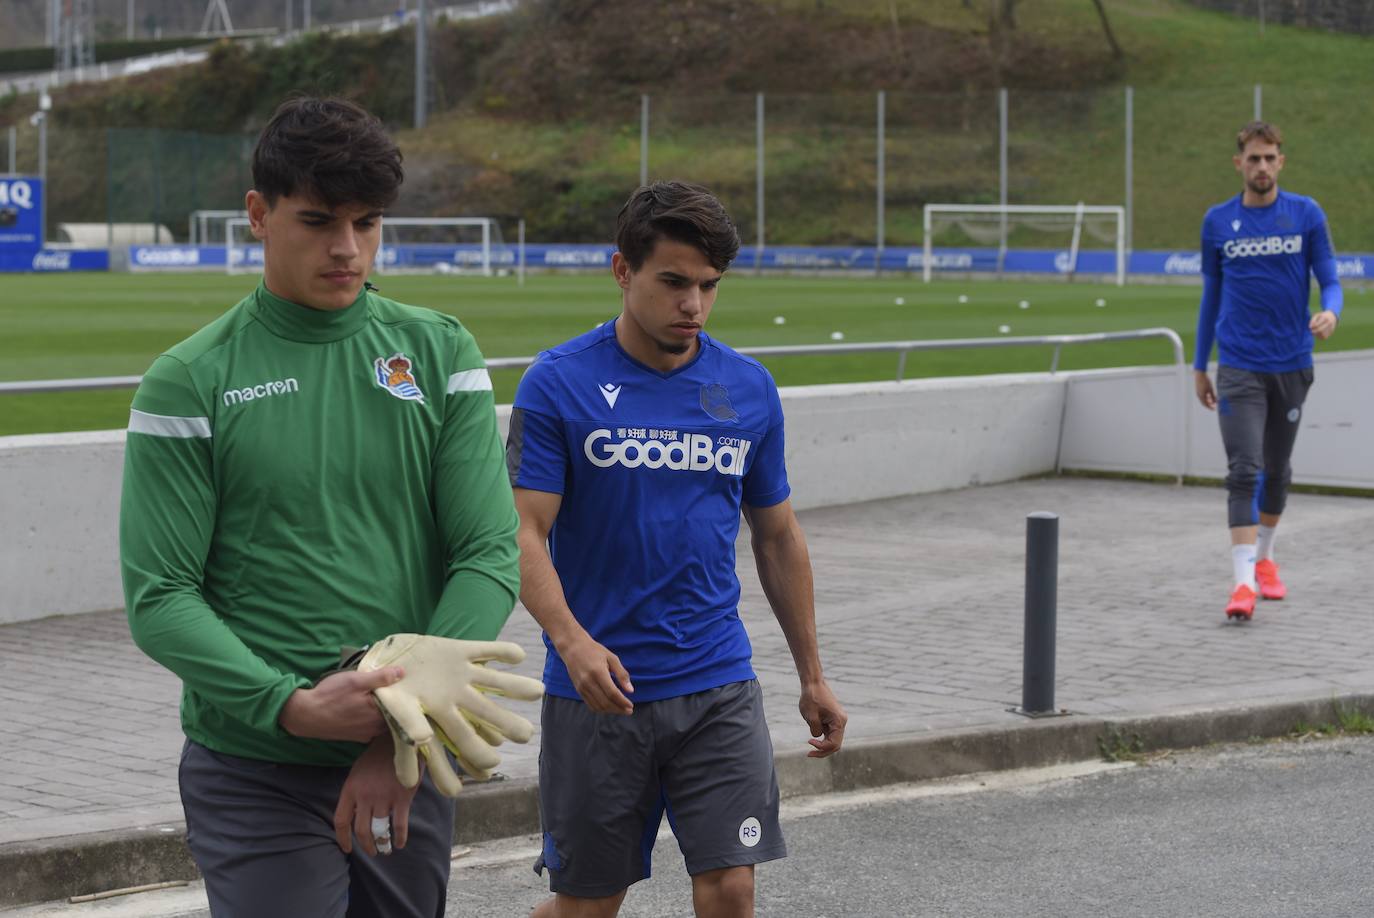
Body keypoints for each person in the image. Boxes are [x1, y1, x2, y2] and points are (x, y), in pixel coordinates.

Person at [119, 96, 522, 917]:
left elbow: (487, 553)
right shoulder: (189, 379)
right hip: (255, 767)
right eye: (317, 221)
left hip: (409, 758)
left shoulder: (440, 351)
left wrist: (402, 727)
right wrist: (289, 706)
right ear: (258, 215)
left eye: (367, 223)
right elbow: (160, 596)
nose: (347, 249)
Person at [507, 180, 848, 917]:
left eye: (708, 285)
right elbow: (522, 531)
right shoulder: (558, 382)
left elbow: (778, 535)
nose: (692, 304)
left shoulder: (748, 387)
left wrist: (813, 675)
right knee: (588, 906)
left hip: (717, 682)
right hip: (599, 691)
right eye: (673, 282)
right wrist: (570, 642)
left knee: (731, 887)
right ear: (622, 270)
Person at [1192, 121, 1343, 621]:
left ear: (1282, 162)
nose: (1262, 166)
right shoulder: (1218, 221)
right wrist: (1199, 364)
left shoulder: (1306, 214)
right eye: (1253, 158)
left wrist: (1331, 312)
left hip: (1292, 363)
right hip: (1238, 364)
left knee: (1277, 471)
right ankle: (1241, 584)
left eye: (1269, 157)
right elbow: (1211, 297)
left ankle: (1265, 558)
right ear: (1239, 163)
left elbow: (1330, 280)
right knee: (1243, 470)